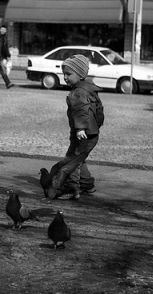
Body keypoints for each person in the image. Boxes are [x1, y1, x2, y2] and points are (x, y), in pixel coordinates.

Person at [52, 54, 104, 200]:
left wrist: (81, 128)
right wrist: (96, 126)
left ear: (80, 74)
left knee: (72, 160)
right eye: (64, 74)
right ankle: (87, 184)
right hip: (92, 133)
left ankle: (71, 189)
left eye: (69, 74)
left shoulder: (78, 92)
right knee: (80, 158)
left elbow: (81, 110)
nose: (65, 77)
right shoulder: (89, 89)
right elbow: (99, 111)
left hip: (82, 133)